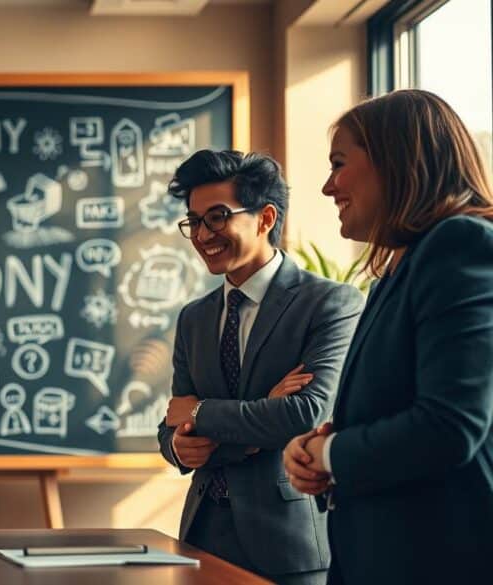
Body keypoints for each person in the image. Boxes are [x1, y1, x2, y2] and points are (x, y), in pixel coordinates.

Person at [283, 89, 493, 583]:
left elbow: (450, 424)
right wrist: (326, 446)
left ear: (397, 160)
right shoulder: (394, 271)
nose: (327, 187)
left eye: (339, 163)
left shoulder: (459, 244)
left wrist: (330, 454)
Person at [157, 150, 363, 584]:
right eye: (193, 222)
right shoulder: (194, 317)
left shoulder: (330, 303)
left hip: (287, 546)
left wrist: (202, 416)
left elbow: (303, 415)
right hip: (201, 537)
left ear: (265, 218)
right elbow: (174, 421)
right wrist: (179, 445)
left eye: (216, 217)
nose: (201, 234)